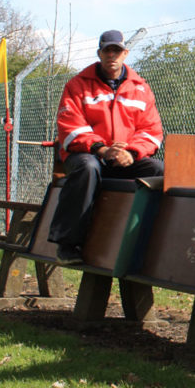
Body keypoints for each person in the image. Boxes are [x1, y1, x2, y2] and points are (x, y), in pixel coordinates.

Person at [47, 30, 165, 265]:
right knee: (87, 169)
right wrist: (101, 148)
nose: (112, 55)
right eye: (107, 50)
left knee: (158, 170)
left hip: (125, 157)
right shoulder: (77, 85)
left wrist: (131, 153)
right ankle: (67, 244)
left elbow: (151, 131)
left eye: (117, 51)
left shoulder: (141, 88)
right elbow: (70, 127)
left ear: (125, 53)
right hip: (86, 155)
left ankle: (148, 243)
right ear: (99, 53)